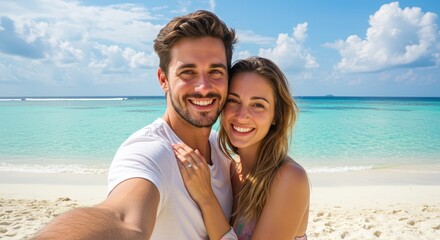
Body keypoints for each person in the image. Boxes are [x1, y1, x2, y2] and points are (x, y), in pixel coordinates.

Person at [32, 10, 237, 240]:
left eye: (215, 72)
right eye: (188, 72)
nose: (203, 87)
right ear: (163, 80)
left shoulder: (221, 149)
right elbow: (122, 219)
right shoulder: (153, 151)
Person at [173, 56, 309, 240]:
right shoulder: (229, 169)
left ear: (276, 116)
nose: (242, 115)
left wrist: (206, 198)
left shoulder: (289, 178)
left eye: (258, 105)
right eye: (233, 101)